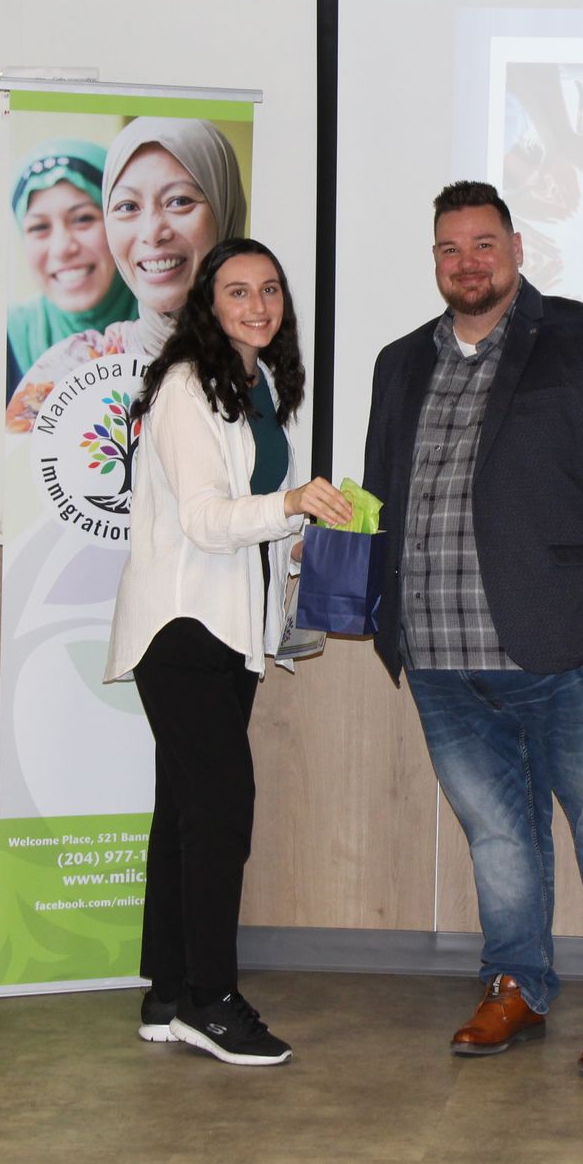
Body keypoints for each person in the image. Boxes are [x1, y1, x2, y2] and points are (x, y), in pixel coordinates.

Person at [361, 180, 583, 1077]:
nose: (467, 263)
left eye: (483, 244)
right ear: (435, 261)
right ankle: (516, 988)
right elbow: (384, 490)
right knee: (496, 832)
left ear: (516, 248)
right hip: (438, 651)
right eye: (449, 249)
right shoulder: (398, 362)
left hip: (571, 639)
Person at [103, 238, 351, 1066]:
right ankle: (211, 999)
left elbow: (247, 519)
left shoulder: (260, 383)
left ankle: (168, 989)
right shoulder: (185, 386)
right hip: (182, 627)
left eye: (270, 290)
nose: (258, 305)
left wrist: (297, 534)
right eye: (238, 291)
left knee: (185, 811)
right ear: (208, 303)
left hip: (230, 628)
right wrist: (288, 502)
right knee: (220, 815)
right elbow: (209, 520)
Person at [7, 118, 247, 431]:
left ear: (223, 206)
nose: (151, 233)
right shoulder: (64, 368)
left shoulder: (272, 350)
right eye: (127, 206)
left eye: (180, 201)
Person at [2, 138, 140, 403]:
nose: (62, 248)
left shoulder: (178, 330)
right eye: (39, 228)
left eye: (83, 219)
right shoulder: (2, 339)